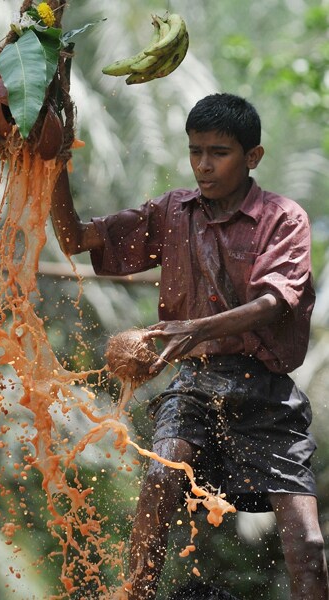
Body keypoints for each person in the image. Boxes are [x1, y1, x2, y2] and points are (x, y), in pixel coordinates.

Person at [50, 93, 329, 600]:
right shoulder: (173, 211)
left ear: (253, 156)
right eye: (195, 150)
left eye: (218, 152)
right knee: (159, 483)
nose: (203, 164)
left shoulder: (283, 218)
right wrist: (53, 163)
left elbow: (274, 302)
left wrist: (195, 330)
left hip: (266, 392)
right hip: (194, 386)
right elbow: (74, 239)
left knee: (307, 546)